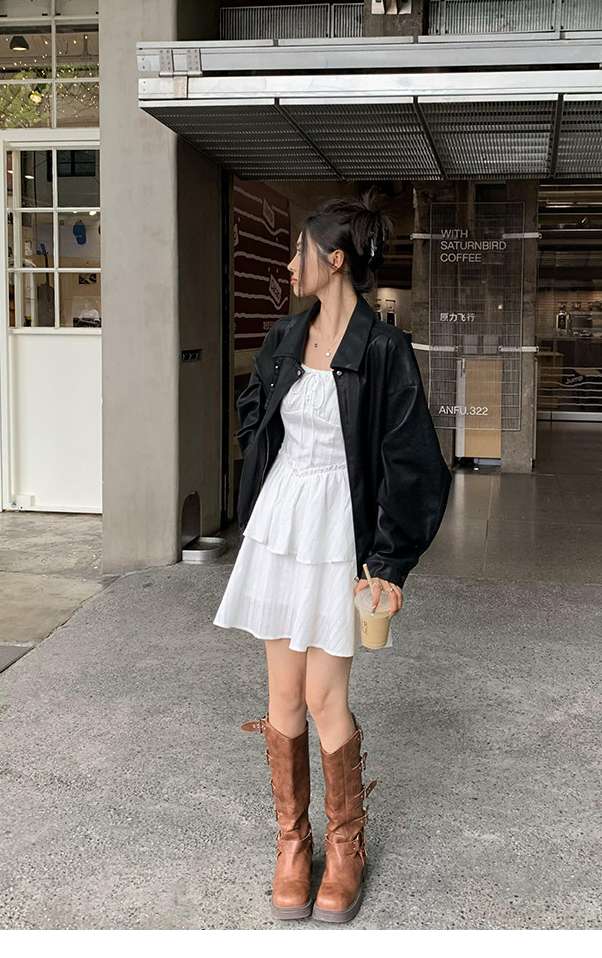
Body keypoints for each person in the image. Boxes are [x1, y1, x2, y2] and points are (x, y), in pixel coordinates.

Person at [214, 194, 452, 923]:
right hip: (282, 525)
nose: (290, 264)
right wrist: (264, 472)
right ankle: (293, 843)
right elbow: (254, 409)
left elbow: (414, 462)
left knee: (325, 698)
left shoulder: (383, 350)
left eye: (300, 252)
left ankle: (346, 846)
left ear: (335, 259)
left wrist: (389, 561)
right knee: (283, 697)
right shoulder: (286, 335)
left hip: (339, 535)